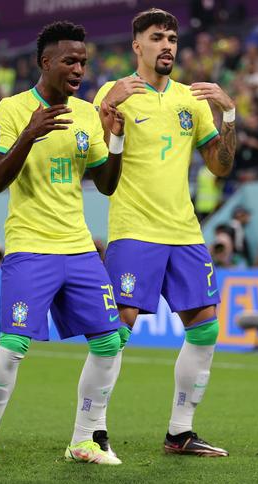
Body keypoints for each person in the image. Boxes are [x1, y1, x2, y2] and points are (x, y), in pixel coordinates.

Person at [0, 21, 126, 469]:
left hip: (78, 246)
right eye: (70, 61)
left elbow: (108, 185)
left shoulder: (84, 114)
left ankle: (84, 438)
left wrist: (115, 138)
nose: (79, 68)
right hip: (30, 246)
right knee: (14, 346)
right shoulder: (13, 109)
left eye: (83, 61)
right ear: (45, 62)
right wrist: (30, 132)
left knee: (109, 343)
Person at [93, 8, 236, 457]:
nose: (168, 45)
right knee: (118, 329)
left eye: (172, 38)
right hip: (134, 229)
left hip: (185, 231)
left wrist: (228, 114)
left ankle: (180, 432)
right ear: (137, 45)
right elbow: (99, 167)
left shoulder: (191, 100)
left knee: (205, 329)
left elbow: (221, 165)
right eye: (158, 37)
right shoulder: (116, 93)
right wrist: (104, 111)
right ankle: (92, 429)